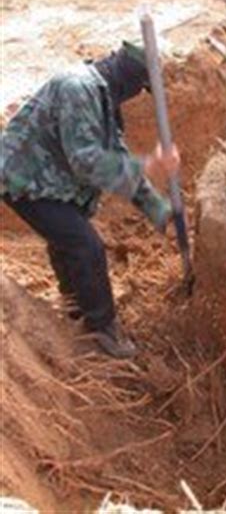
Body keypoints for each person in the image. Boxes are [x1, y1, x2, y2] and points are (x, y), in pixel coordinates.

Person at [1, 41, 180, 358]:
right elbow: (87, 161)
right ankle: (102, 331)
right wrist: (151, 164)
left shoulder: (102, 98)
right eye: (140, 86)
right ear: (131, 77)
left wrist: (160, 210)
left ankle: (74, 309)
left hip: (52, 181)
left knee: (68, 239)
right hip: (24, 178)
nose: (138, 93)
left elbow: (117, 158)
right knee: (86, 245)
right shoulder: (78, 88)